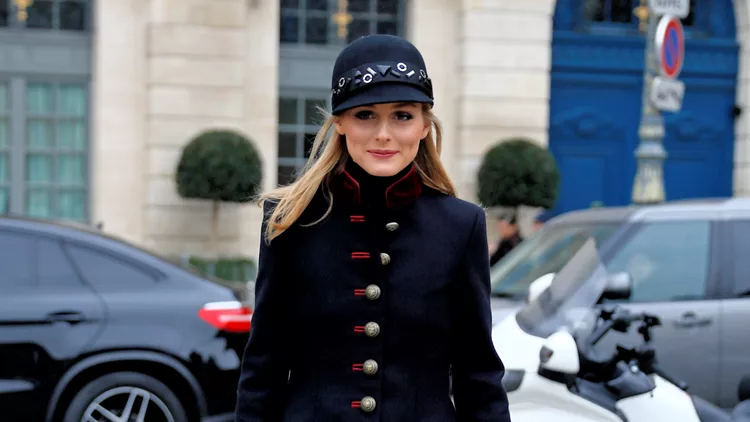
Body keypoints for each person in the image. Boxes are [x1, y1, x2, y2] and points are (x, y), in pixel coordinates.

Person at [234, 34, 510, 422]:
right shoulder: (289, 221)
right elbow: (264, 367)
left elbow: (477, 373)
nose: (384, 134)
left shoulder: (461, 226)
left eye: (402, 115)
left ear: (424, 125)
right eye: (365, 115)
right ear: (340, 124)